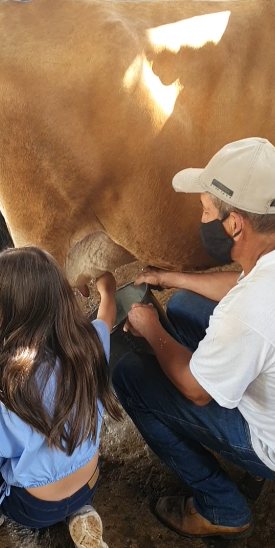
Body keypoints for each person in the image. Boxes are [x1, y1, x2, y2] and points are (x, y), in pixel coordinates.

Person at [112, 137, 275, 540]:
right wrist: (170, 278)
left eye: (206, 211)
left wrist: (151, 329)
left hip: (268, 441)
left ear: (235, 223)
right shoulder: (265, 260)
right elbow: (241, 283)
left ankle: (221, 506)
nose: (202, 220)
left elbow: (196, 390)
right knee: (185, 304)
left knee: (130, 376)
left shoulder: (251, 308)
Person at [0, 246, 122, 548]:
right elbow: (106, 316)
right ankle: (80, 510)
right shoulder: (92, 342)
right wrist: (107, 290)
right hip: (90, 482)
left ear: (4, 316)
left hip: (33, 509)